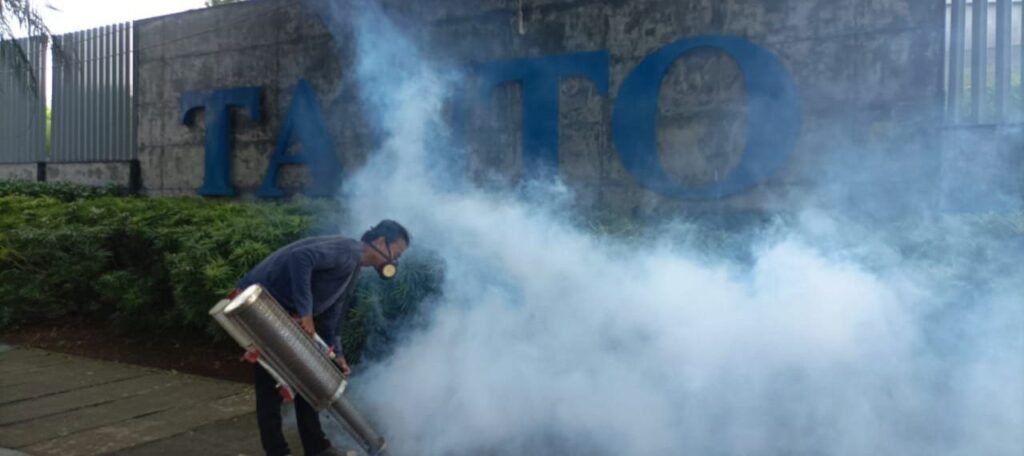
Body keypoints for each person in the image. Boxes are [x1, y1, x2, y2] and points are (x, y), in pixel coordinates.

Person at [232, 220, 410, 456]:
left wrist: (337, 354)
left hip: (285, 313)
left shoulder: (353, 267)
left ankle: (317, 447)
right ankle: (277, 451)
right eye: (396, 253)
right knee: (270, 385)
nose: (394, 261)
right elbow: (301, 258)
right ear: (380, 242)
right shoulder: (347, 251)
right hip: (261, 307)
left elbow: (332, 315)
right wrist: (306, 313)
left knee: (311, 378)